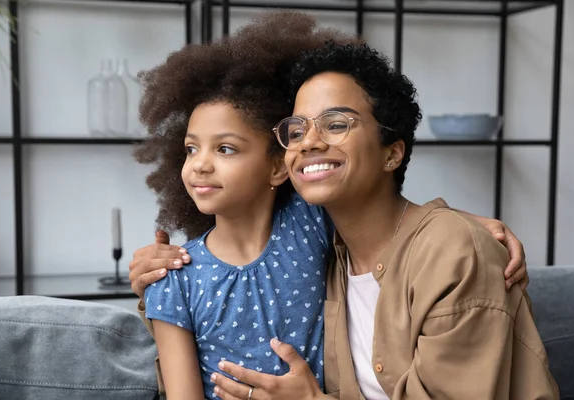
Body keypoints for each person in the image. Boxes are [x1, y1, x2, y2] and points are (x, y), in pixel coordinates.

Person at [127, 12, 535, 400]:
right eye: (297, 129)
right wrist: (159, 283)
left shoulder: (321, 232)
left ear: (392, 153)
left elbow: (424, 233)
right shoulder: (329, 245)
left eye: (336, 124)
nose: (309, 142)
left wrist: (467, 227)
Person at [134, 13, 355, 400]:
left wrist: (469, 224)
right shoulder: (173, 279)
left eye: (225, 148)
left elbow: (386, 217)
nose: (200, 163)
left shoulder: (311, 223)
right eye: (191, 148)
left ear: (277, 166)